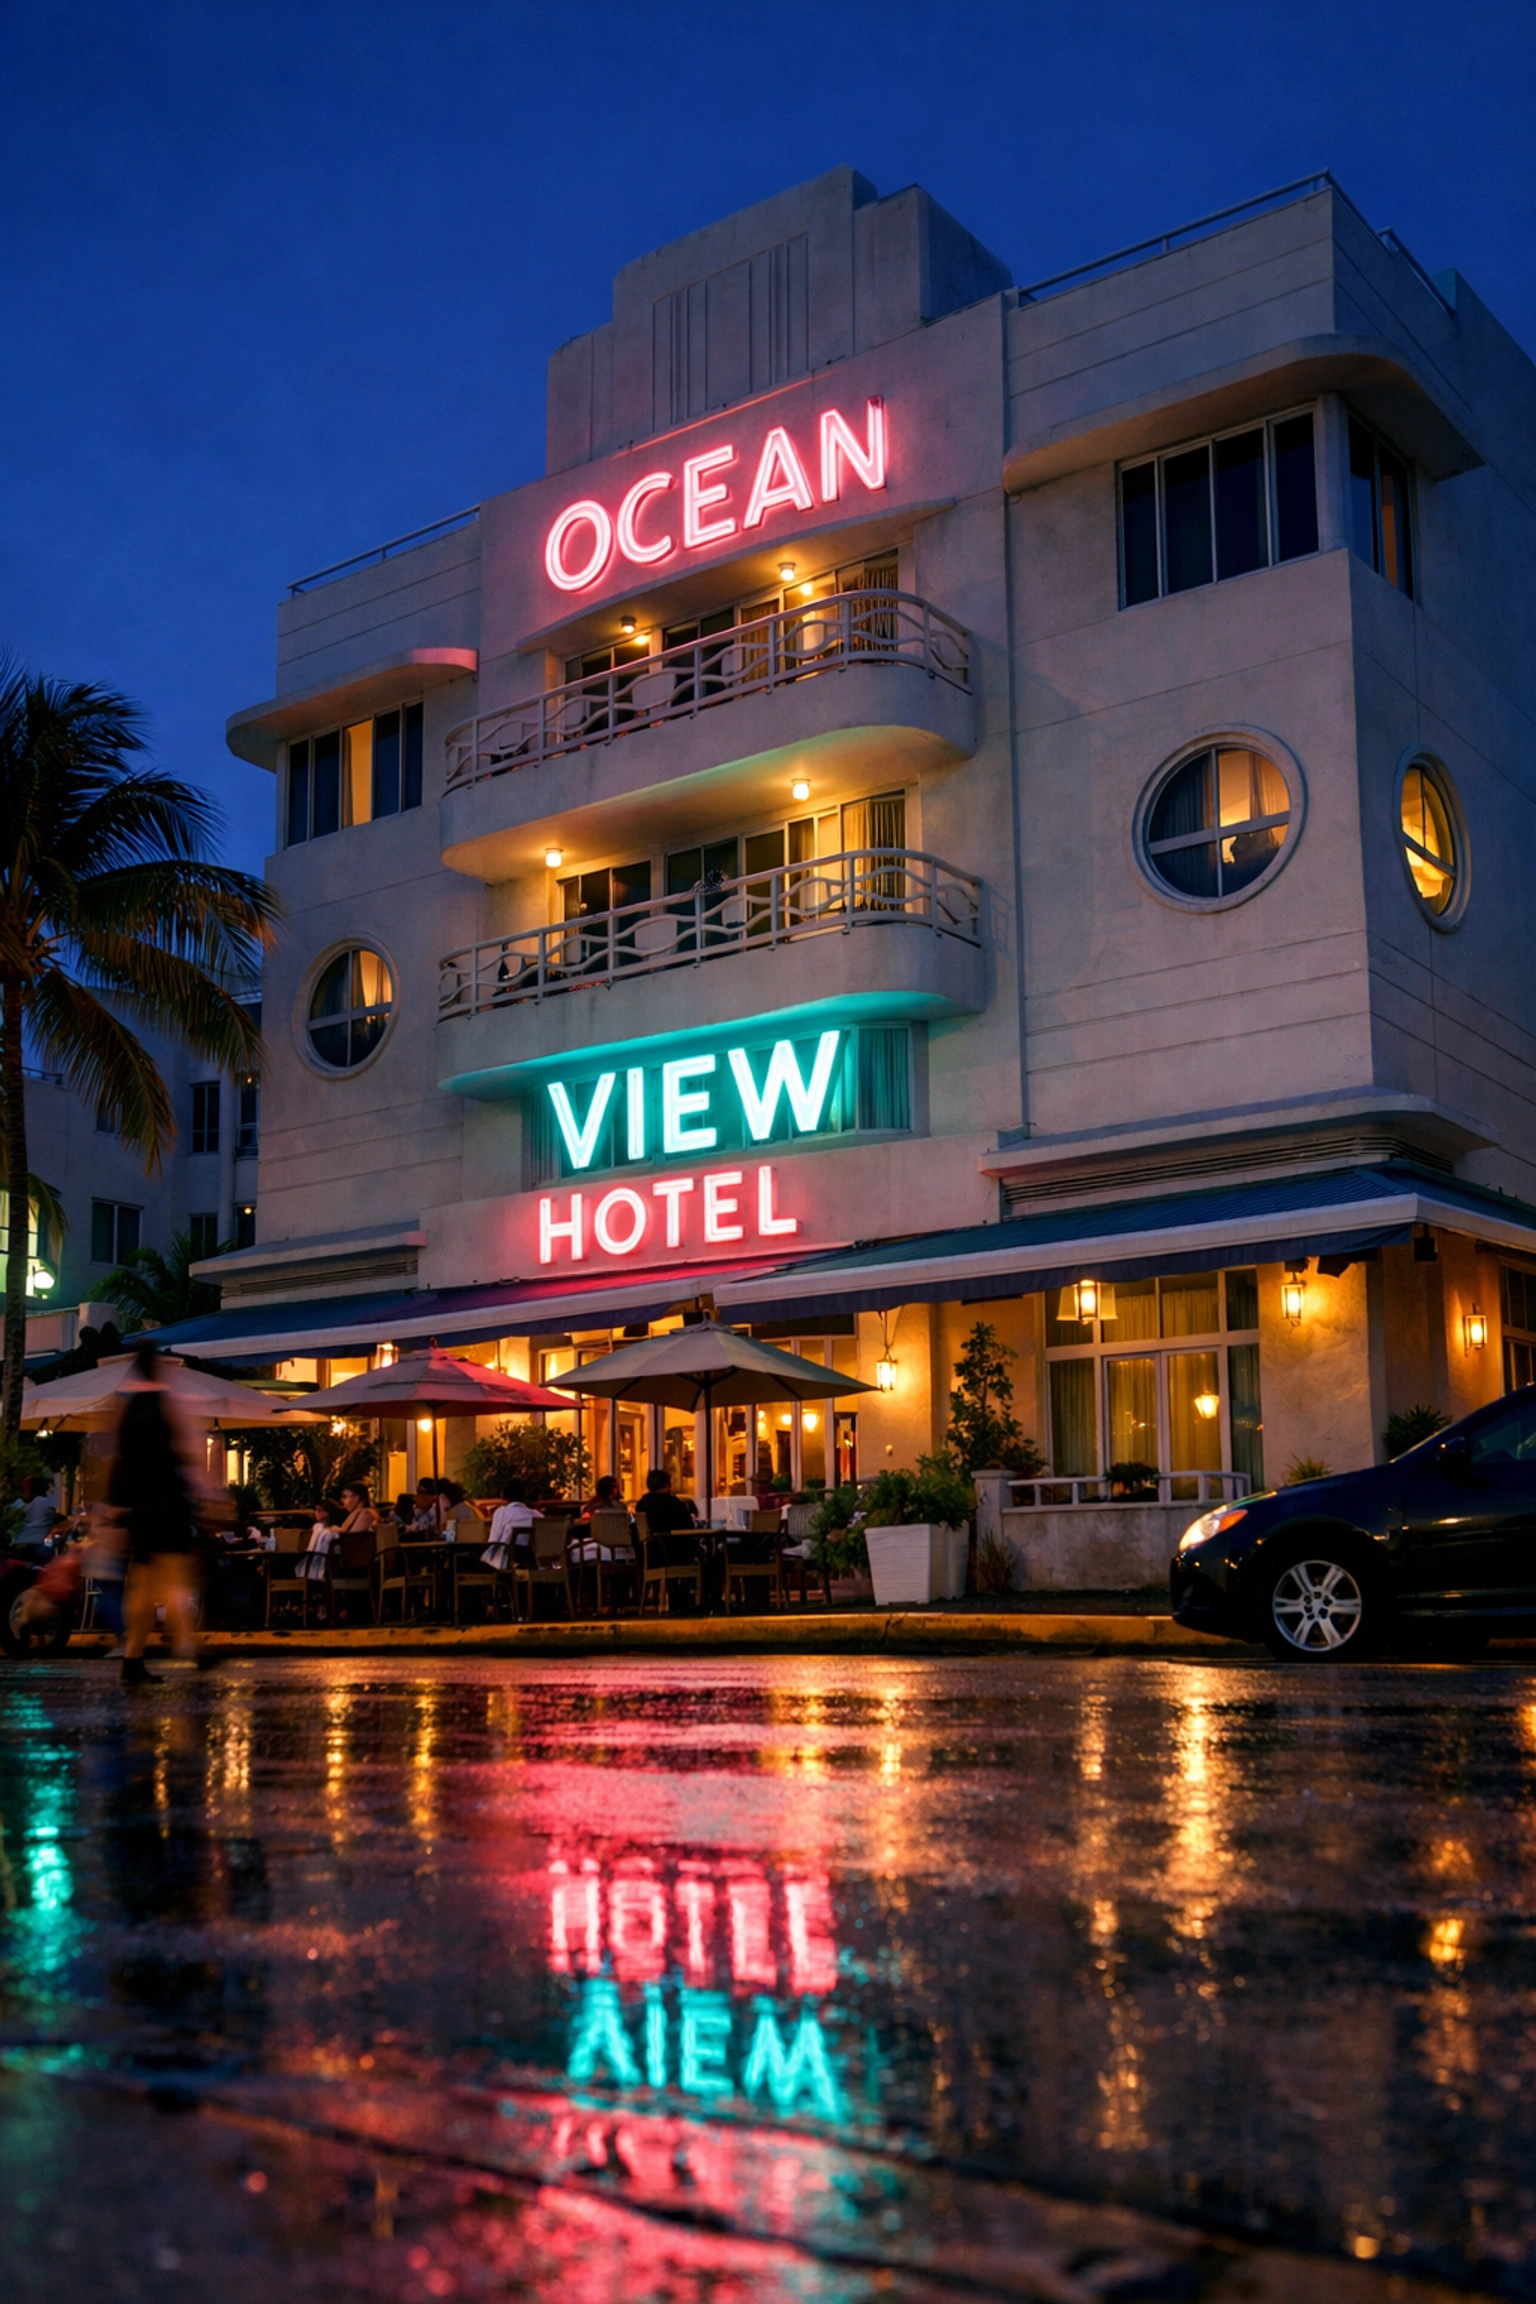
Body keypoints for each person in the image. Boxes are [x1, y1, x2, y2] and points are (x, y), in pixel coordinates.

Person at [111, 1344, 213, 1685]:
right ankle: (188, 1647)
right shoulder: (166, 1404)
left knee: (142, 1583)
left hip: (138, 1505)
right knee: (173, 1576)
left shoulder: (127, 1408)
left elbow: (114, 1457)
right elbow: (186, 1452)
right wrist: (204, 1494)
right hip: (167, 1502)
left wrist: (112, 1502)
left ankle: (133, 1658)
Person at [481, 1478, 541, 1573]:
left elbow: (493, 1541)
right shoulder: (536, 1515)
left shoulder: (502, 1512)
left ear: (504, 1495)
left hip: (508, 1558)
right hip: (533, 1559)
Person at [10, 1476, 61, 1561]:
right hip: (39, 1545)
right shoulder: (46, 1502)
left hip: (19, 1544)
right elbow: (55, 1516)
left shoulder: (17, 1505)